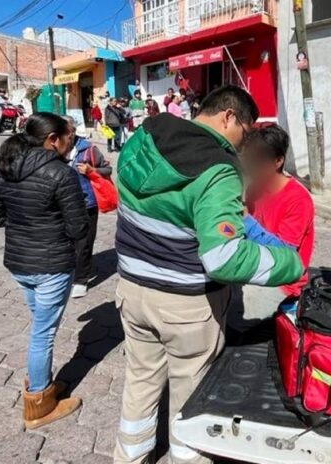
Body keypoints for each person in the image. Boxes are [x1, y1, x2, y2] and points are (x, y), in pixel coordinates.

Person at [113, 85, 303, 464]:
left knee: (140, 380)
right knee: (191, 397)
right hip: (185, 306)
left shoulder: (147, 134)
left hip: (131, 289)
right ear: (229, 117)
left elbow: (167, 207)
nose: (242, 146)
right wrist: (290, 265)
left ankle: (128, 457)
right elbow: (224, 258)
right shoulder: (220, 168)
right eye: (245, 134)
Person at [0, 112, 88, 429]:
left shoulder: (1, 166)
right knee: (43, 334)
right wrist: (46, 227)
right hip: (51, 266)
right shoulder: (60, 174)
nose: (73, 141)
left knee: (42, 327)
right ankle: (38, 404)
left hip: (19, 264)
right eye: (69, 135)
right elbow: (79, 228)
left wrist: (24, 224)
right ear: (52, 139)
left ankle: (44, 381)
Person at [227, 124, 315, 334]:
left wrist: (246, 220)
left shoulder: (298, 199)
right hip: (251, 267)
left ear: (278, 161)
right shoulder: (255, 189)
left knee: (232, 317)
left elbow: (285, 253)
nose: (250, 167)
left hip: (282, 281)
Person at [62, 116, 113, 298]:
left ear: (73, 131)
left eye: (67, 131)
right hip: (61, 204)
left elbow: (107, 169)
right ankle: (67, 273)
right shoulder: (52, 149)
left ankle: (81, 279)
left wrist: (93, 170)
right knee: (66, 242)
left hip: (86, 204)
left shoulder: (88, 149)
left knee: (84, 244)